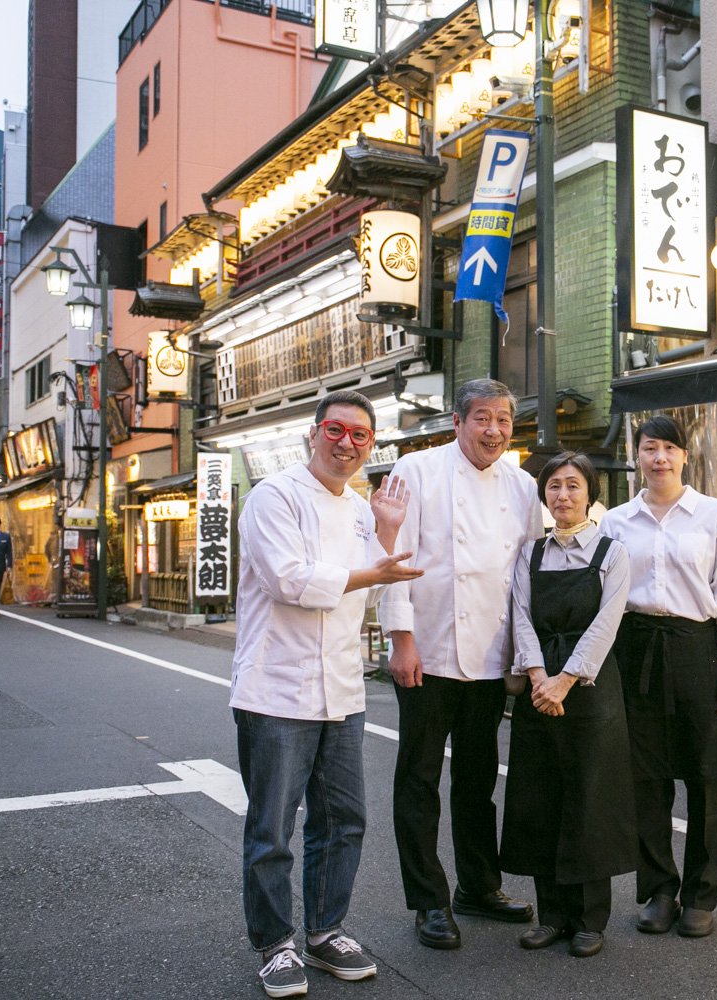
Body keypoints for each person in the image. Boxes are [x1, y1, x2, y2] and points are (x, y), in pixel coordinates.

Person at [230, 389, 421, 998]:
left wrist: (385, 532)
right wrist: (378, 565)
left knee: (343, 820)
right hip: (275, 687)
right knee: (272, 826)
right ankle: (275, 942)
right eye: (337, 430)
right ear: (313, 434)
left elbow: (366, 593)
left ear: (370, 445)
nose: (347, 444)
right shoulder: (274, 496)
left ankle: (324, 930)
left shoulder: (364, 509)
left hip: (341, 687)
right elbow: (290, 581)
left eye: (361, 436)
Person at [381, 378, 541, 951]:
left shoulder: (524, 486)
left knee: (477, 781)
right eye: (482, 418)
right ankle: (429, 899)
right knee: (419, 779)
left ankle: (479, 886)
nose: (494, 430)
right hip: (427, 649)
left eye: (503, 419)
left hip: (490, 658)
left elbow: (526, 578)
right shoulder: (416, 470)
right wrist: (401, 639)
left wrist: (525, 659)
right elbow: (393, 558)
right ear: (457, 421)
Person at [601, 414, 717, 940]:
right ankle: (659, 890)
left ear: (684, 456)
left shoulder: (712, 515)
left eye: (668, 448)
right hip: (635, 649)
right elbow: (604, 597)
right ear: (636, 456)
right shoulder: (616, 521)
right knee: (646, 779)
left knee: (705, 776)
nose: (659, 458)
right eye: (649, 448)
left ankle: (701, 894)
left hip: (698, 651)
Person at [501, 452, 635, 959]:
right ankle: (551, 915)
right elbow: (520, 615)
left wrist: (564, 680)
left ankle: (589, 919)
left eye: (573, 486)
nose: (562, 495)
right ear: (543, 495)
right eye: (554, 486)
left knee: (590, 796)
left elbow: (606, 624)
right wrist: (537, 675)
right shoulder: (530, 553)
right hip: (541, 685)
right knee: (540, 795)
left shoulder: (611, 551)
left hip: (590, 685)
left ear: (590, 494)